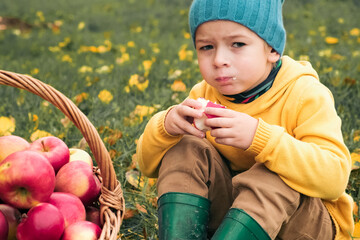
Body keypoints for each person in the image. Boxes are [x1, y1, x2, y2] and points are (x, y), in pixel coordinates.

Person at [136, 0, 354, 239]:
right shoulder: (203, 94)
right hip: (234, 216)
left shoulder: (304, 94)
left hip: (306, 224)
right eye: (206, 47)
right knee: (185, 147)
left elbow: (334, 179)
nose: (219, 59)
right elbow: (146, 167)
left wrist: (261, 139)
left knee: (272, 174)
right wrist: (165, 128)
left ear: (272, 49)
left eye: (237, 44)